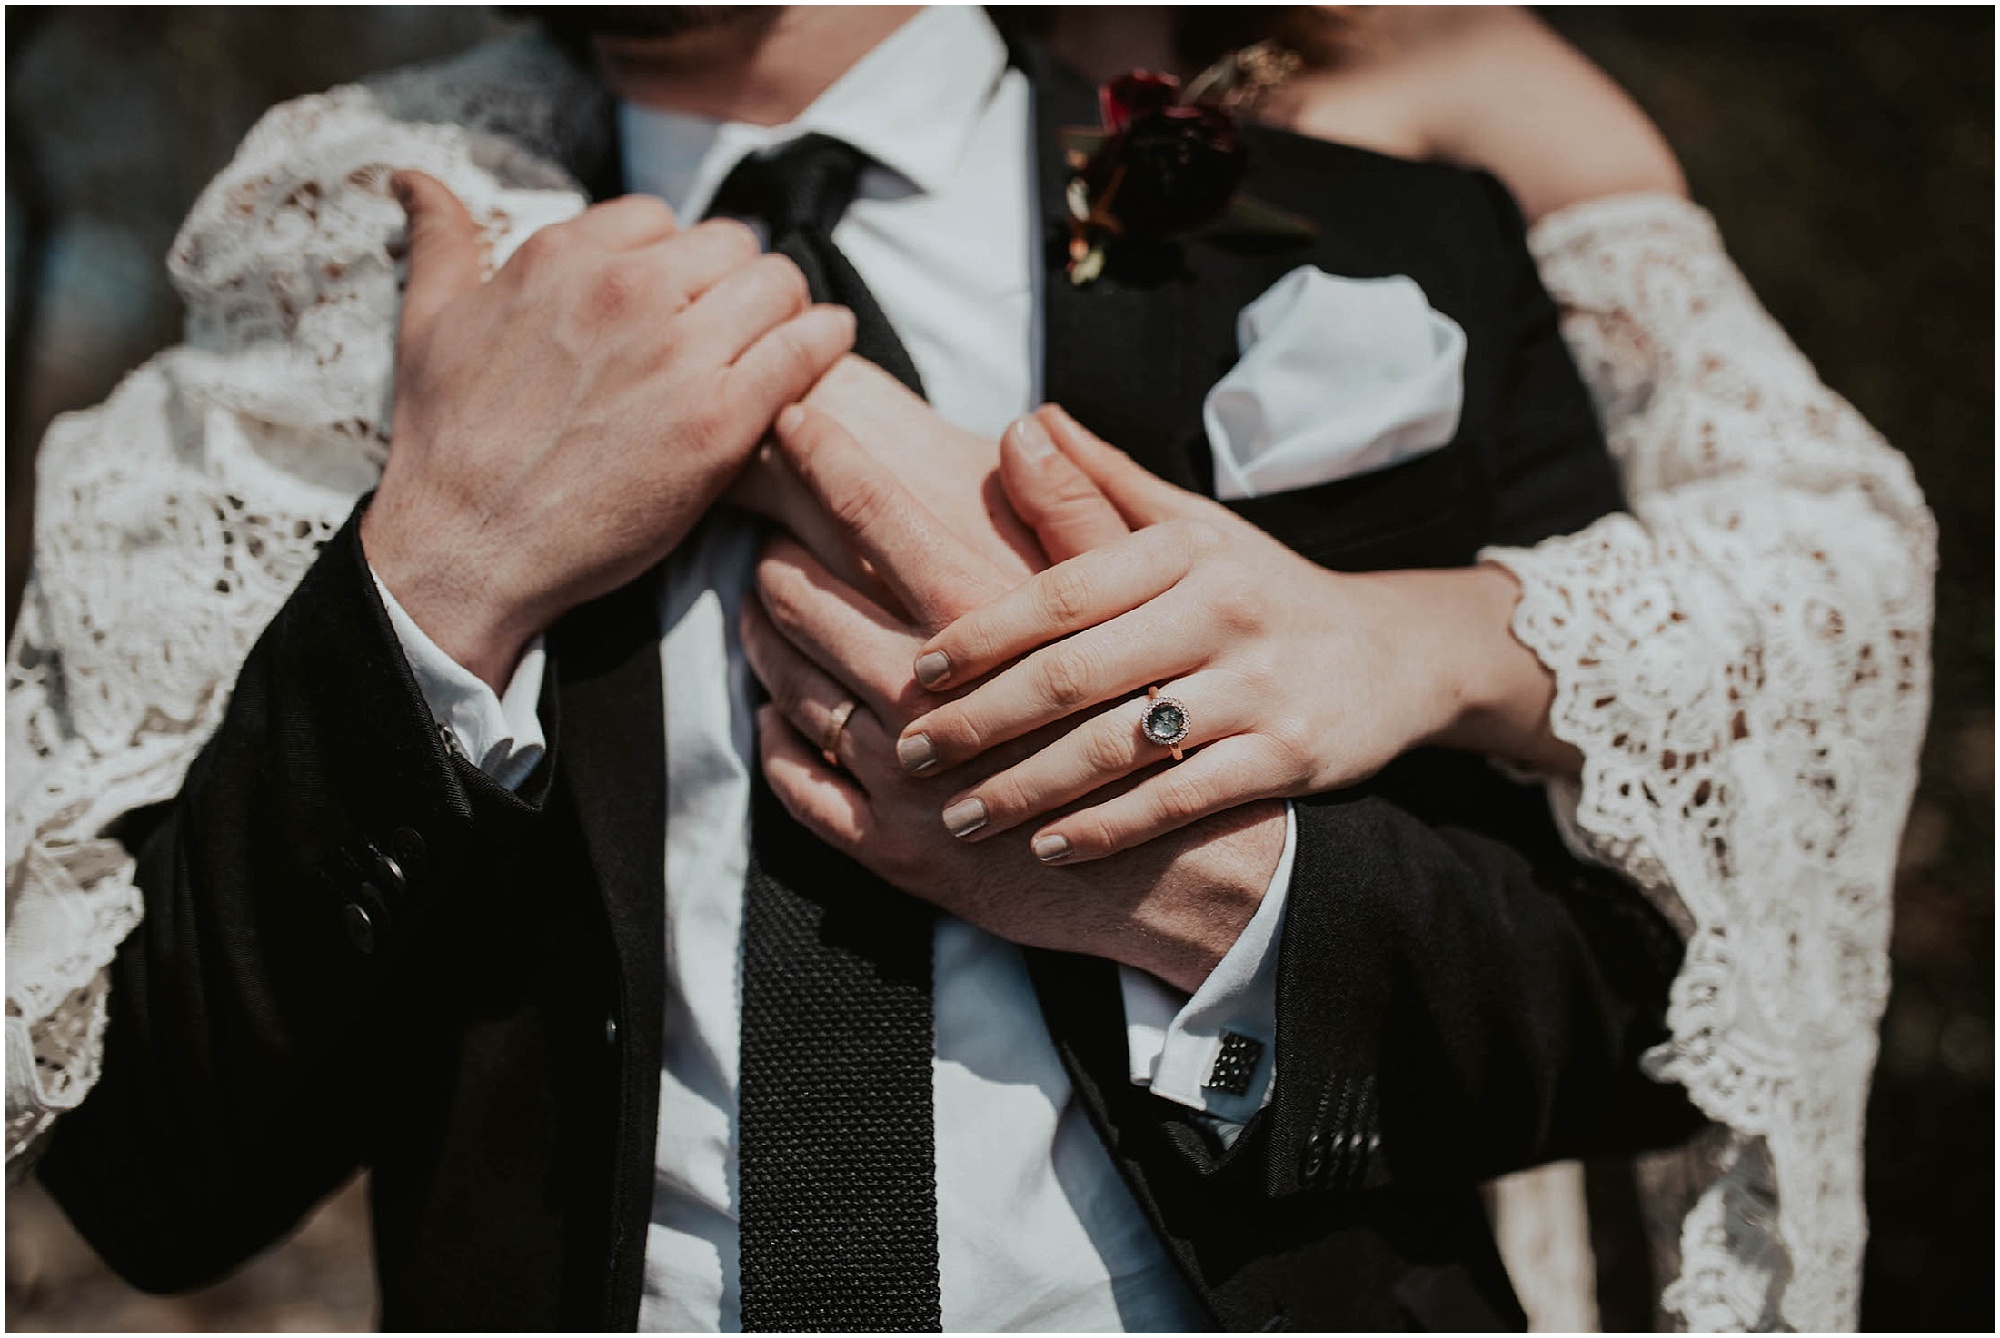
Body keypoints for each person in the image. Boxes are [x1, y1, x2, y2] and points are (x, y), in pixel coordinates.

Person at [1, 7, 1927, 1333]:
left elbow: (1658, 993)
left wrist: (1215, 903)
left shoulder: (1379, 236)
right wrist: (448, 570)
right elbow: (154, 1175)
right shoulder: (337, 322)